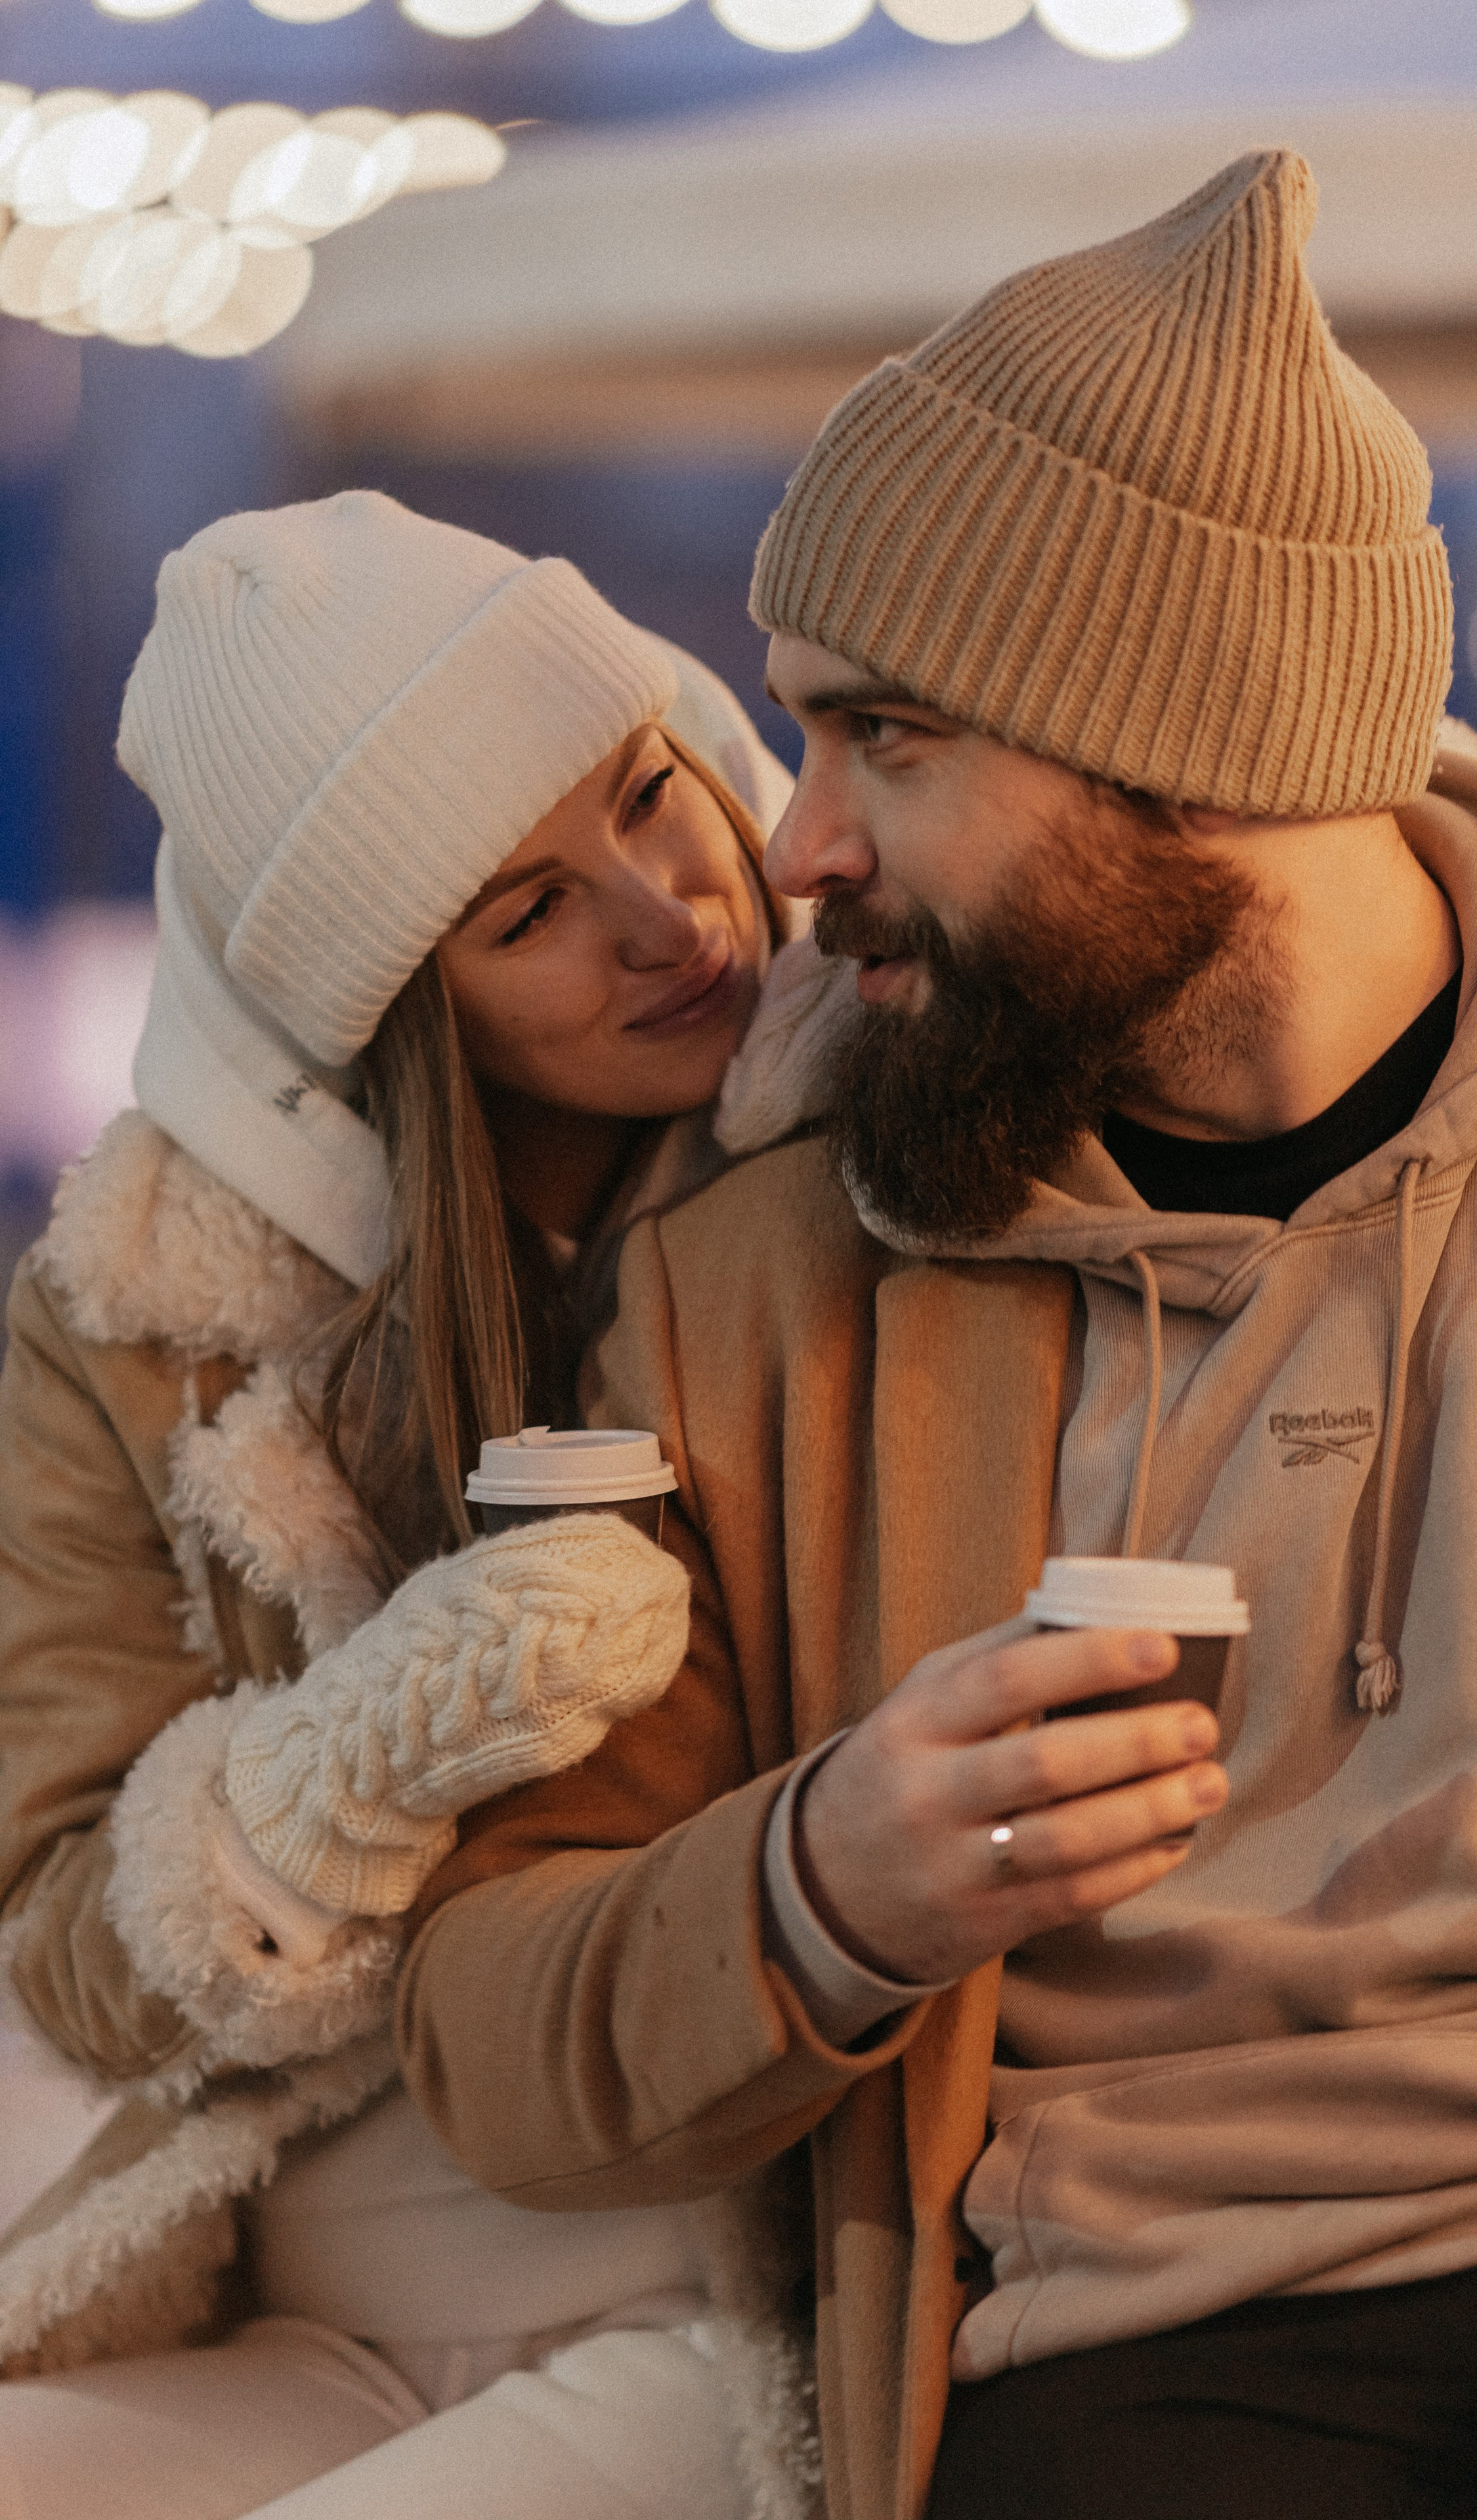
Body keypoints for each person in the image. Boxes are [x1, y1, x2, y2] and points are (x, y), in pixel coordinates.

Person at [391, 151, 1477, 2520]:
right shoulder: (759, 1286)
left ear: (1190, 753)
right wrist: (832, 1882)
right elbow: (492, 2029)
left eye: (884, 736)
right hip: (1159, 2356)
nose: (792, 852)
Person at [0, 490, 820, 2519]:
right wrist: (329, 1784)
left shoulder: (879, 1169)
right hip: (301, 2284)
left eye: (649, 790)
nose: (668, 914)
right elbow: (59, 1933)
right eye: (525, 911)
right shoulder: (134, 1311)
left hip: (732, 2267)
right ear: (387, 1015)